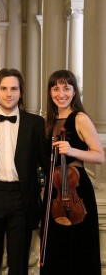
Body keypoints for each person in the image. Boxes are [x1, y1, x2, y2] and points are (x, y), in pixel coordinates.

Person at [0, 68, 49, 275]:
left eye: (14, 88)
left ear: (21, 92)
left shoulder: (36, 123)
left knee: (19, 263)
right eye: (3, 88)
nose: (9, 93)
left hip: (22, 198)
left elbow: (46, 164)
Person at [40, 70, 105, 275]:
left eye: (66, 88)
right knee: (54, 248)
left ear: (74, 92)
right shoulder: (48, 122)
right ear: (50, 92)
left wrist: (73, 150)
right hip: (54, 191)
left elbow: (99, 156)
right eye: (56, 88)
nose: (61, 94)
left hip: (77, 191)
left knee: (78, 247)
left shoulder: (80, 118)